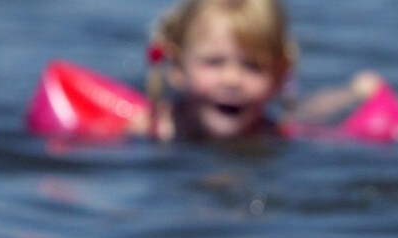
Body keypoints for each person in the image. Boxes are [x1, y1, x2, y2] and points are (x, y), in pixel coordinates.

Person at [138, 0, 383, 141]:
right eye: (214, 62)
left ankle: (355, 91)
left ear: (279, 76)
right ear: (177, 67)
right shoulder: (146, 128)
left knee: (301, 118)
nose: (232, 79)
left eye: (252, 66)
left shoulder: (274, 136)